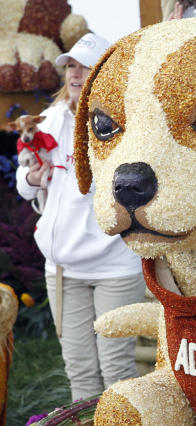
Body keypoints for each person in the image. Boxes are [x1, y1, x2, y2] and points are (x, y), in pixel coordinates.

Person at [15, 33, 146, 401]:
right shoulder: (49, 120)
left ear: (105, 72)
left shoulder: (127, 123)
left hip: (115, 267)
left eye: (85, 66)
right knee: (80, 370)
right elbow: (24, 185)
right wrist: (31, 178)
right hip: (61, 269)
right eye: (71, 65)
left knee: (116, 368)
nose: (75, 73)